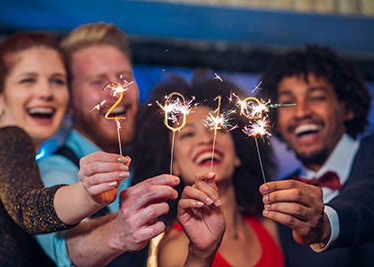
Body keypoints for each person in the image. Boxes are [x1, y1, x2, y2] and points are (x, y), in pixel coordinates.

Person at [0, 32, 132, 266]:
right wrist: (88, 193)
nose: (46, 92)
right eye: (28, 80)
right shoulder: (7, 138)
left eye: (57, 81)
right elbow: (28, 208)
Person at [35, 22, 180, 266]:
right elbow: (67, 246)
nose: (117, 93)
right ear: (68, 101)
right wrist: (118, 231)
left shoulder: (148, 162)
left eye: (124, 79)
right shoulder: (53, 170)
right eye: (97, 82)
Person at [131, 72, 285, 267]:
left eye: (217, 129)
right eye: (187, 135)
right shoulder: (176, 247)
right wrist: (200, 255)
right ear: (173, 164)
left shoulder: (268, 226)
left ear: (238, 154)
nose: (206, 140)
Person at [257, 44, 374, 266]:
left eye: (317, 97)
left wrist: (326, 223)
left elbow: (367, 196)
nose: (301, 112)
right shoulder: (272, 197)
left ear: (346, 108)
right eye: (287, 103)